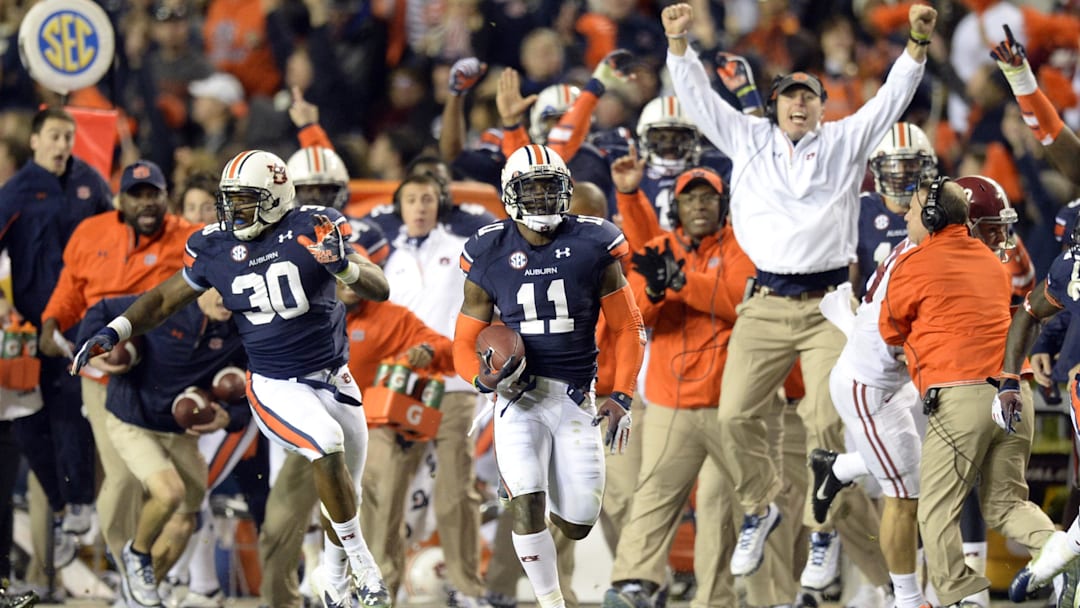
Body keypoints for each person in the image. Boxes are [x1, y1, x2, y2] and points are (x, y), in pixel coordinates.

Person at [660, 0, 936, 586]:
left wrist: (915, 45)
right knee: (734, 414)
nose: (800, 103)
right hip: (762, 306)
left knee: (827, 424)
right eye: (790, 95)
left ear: (821, 105)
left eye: (809, 95)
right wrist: (678, 47)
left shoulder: (844, 141)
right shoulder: (748, 138)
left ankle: (823, 531)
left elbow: (890, 99)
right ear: (775, 104)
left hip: (828, 306)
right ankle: (761, 507)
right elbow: (699, 101)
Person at [70, 150, 392, 608]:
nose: (233, 211)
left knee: (347, 489)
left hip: (333, 377)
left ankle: (337, 584)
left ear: (276, 197)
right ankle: (365, 564)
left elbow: (379, 288)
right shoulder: (215, 246)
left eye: (245, 200)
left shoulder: (313, 227)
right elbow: (162, 301)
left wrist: (344, 267)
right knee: (326, 443)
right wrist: (116, 330)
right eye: (230, 200)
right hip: (276, 382)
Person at [452, 144, 645, 608]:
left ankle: (532, 480)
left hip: (577, 395)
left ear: (566, 191)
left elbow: (627, 325)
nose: (540, 199)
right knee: (528, 502)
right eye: (530, 189)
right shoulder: (488, 250)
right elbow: (463, 341)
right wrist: (483, 381)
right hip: (519, 397)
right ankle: (550, 601)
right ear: (509, 194)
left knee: (578, 521)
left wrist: (621, 393)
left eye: (549, 188)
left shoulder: (594, 243)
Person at [880, 176, 1064, 606]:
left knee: (935, 511)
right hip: (1015, 392)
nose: (905, 214)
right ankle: (1059, 548)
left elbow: (890, 328)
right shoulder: (988, 259)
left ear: (931, 217)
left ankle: (960, 597)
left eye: (913, 208)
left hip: (960, 396)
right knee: (1005, 505)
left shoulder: (913, 262)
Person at [601, 165, 759, 608]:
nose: (699, 206)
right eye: (690, 199)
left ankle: (714, 599)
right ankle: (634, 583)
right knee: (652, 494)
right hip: (671, 400)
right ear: (677, 206)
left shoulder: (741, 247)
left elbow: (739, 301)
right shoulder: (656, 249)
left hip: (728, 403)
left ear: (722, 206)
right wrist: (654, 289)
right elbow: (626, 320)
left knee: (717, 504)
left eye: (708, 198)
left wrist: (683, 282)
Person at [38, 159, 195, 567]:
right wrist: (51, 323)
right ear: (120, 201)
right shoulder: (92, 232)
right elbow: (70, 289)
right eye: (136, 195)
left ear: (167, 197)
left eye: (153, 194)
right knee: (124, 476)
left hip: (165, 373)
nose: (146, 204)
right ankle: (129, 564)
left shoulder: (190, 239)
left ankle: (157, 570)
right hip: (104, 371)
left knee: (182, 490)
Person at [257, 280, 452, 608]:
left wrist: (429, 351)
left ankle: (375, 599)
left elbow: (443, 348)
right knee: (278, 524)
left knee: (378, 507)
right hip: (310, 427)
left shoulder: (392, 318)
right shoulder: (301, 314)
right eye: (339, 278)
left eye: (354, 277)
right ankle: (278, 601)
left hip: (370, 427)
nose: (349, 286)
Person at [78, 288, 247, 607]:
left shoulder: (243, 325)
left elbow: (257, 380)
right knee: (169, 492)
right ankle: (136, 554)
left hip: (180, 430)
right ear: (205, 282)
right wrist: (93, 346)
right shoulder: (165, 302)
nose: (230, 298)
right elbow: (100, 309)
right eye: (223, 289)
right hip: (133, 420)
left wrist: (230, 416)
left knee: (185, 520)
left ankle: (137, 594)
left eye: (237, 290)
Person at [363, 173, 487, 604]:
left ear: (440, 204)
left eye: (428, 199)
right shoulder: (383, 261)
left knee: (456, 491)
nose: (419, 206)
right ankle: (382, 589)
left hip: (453, 382)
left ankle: (468, 588)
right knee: (386, 492)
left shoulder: (461, 253)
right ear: (399, 207)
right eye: (412, 199)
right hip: (402, 386)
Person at [0, 107, 112, 572]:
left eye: (68, 135)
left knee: (71, 412)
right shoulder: (16, 192)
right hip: (27, 330)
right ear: (35, 141)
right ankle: (66, 509)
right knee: (28, 424)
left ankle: (78, 507)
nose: (63, 144)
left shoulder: (89, 181)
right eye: (54, 136)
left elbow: (114, 235)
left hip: (77, 325)